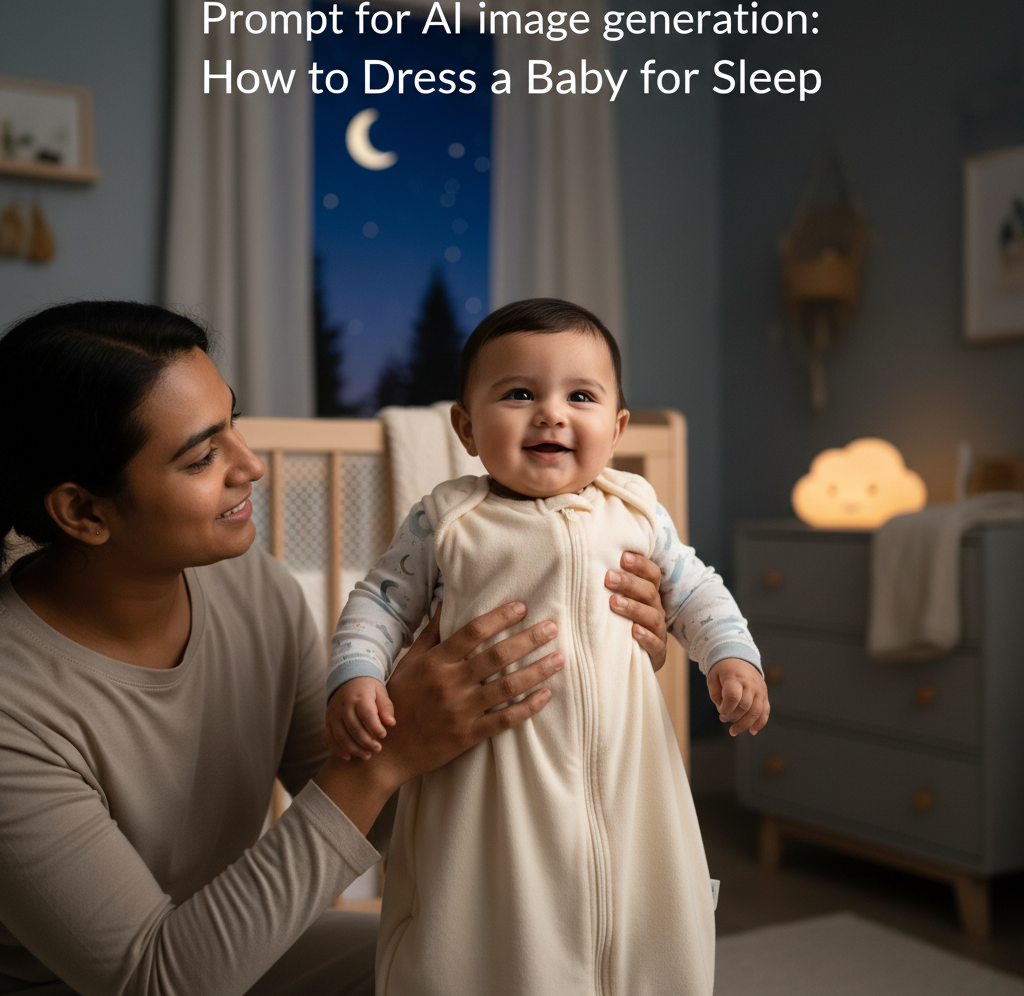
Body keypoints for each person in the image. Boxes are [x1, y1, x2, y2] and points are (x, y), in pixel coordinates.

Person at [0, 300, 669, 996]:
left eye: (232, 423)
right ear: (82, 511)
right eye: (203, 456)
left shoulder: (248, 587)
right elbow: (155, 980)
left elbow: (375, 811)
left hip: (224, 949)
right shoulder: (14, 707)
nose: (251, 465)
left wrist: (592, 672)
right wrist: (388, 756)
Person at [325, 299, 771, 996]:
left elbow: (695, 591)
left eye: (581, 396)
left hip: (627, 772)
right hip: (487, 780)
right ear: (467, 429)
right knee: (481, 932)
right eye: (520, 393)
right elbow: (381, 601)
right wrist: (357, 674)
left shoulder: (635, 510)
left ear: (617, 428)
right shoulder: (450, 519)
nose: (551, 413)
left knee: (640, 918)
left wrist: (732, 657)